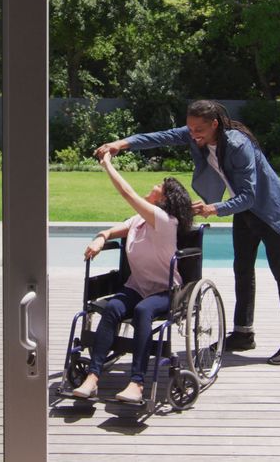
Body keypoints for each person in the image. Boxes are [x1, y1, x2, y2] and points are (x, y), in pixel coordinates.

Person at [94, 99, 280, 366]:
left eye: (199, 130)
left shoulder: (239, 145)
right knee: (242, 269)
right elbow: (160, 137)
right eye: (190, 128)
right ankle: (243, 333)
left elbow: (249, 196)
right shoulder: (196, 134)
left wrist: (213, 209)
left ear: (214, 124)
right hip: (243, 211)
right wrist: (121, 144)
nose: (193, 134)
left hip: (267, 207)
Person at [71, 151, 194, 403]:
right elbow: (115, 229)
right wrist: (101, 236)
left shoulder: (164, 220)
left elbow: (128, 194)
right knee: (113, 308)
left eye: (161, 185)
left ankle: (137, 382)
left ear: (165, 198)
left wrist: (107, 164)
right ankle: (93, 377)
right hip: (137, 286)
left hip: (164, 290)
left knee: (142, 311)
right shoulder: (139, 220)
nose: (155, 184)